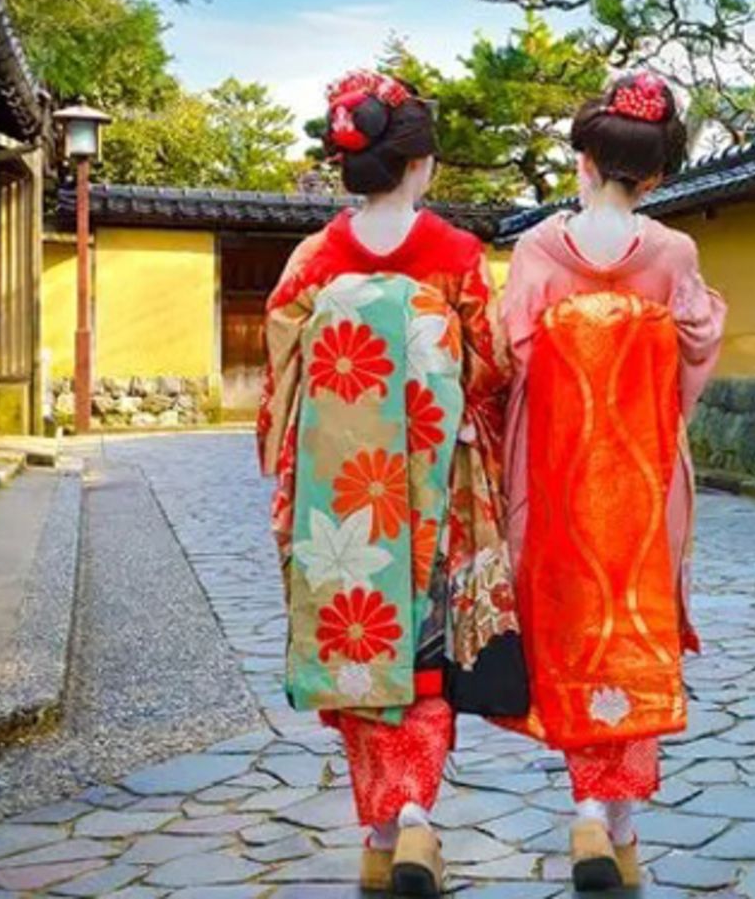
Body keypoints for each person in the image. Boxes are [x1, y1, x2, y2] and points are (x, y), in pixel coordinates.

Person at [257, 70, 527, 896]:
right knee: (426, 652)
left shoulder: (313, 262)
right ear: (421, 166)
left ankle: (384, 828)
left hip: (338, 496)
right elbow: (493, 368)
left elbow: (281, 384)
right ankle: (415, 823)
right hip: (432, 491)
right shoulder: (456, 257)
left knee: (355, 644)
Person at [498, 71, 725, 892]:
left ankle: (593, 812)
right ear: (657, 175)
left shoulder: (536, 250)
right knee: (636, 629)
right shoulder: (673, 252)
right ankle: (609, 820)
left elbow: (512, 357)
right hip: (642, 476)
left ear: (582, 160)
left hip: (554, 480)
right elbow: (695, 350)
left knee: (570, 630)